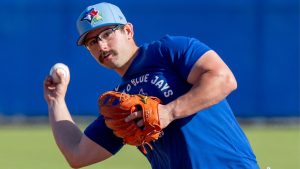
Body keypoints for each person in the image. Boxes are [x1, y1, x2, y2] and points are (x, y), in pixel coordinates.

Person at [43, 2, 260, 169]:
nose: (101, 45)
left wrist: (168, 111)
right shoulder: (121, 105)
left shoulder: (169, 51)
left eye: (107, 33)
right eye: (92, 42)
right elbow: (77, 154)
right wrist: (56, 101)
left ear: (128, 31)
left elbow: (224, 79)